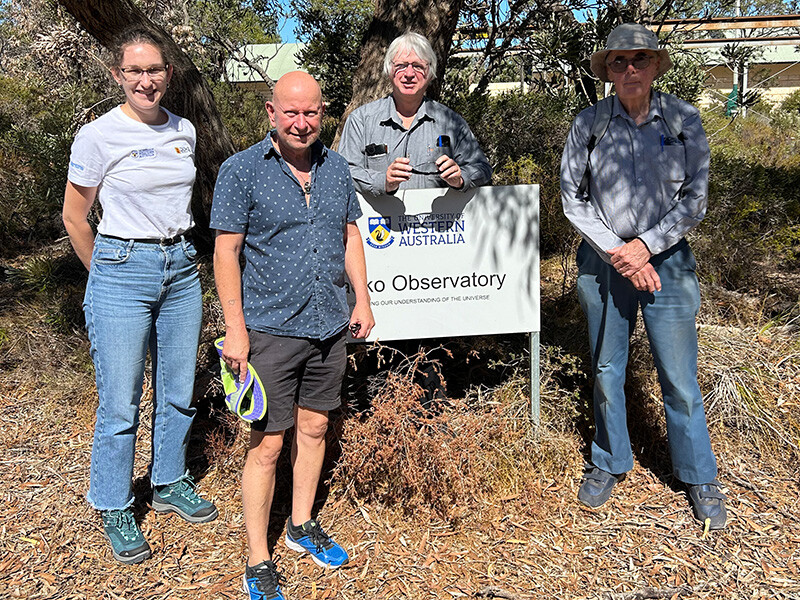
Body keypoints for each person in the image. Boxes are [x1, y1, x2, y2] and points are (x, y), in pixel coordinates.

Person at [211, 71, 375, 600]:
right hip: (270, 330)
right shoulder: (240, 172)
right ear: (271, 113)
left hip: (329, 323)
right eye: (292, 113)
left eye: (312, 113)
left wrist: (363, 299)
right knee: (266, 444)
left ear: (322, 113)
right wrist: (235, 331)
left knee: (314, 428)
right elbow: (226, 253)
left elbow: (351, 233)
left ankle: (301, 524)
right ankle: (258, 557)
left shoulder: (336, 170)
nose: (302, 123)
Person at [560, 23, 727, 529]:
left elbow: (694, 198)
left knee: (678, 377)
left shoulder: (683, 120)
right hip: (604, 262)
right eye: (618, 62)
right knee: (607, 369)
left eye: (639, 59)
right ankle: (609, 461)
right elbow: (573, 197)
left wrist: (646, 248)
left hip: (668, 262)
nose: (629, 69)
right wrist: (619, 251)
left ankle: (699, 476)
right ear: (607, 71)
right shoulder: (589, 123)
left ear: (655, 65)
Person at [62, 28, 217, 565]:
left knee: (178, 386)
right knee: (121, 400)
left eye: (155, 71)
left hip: (180, 269)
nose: (146, 81)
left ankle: (170, 478)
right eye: (135, 71)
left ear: (168, 75)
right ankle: (113, 502)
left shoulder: (184, 130)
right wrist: (103, 276)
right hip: (121, 269)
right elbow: (75, 217)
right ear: (118, 76)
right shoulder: (98, 135)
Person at [338, 31, 491, 196]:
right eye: (401, 66)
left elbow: (482, 168)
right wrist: (383, 181)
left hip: (438, 220)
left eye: (418, 66)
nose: (409, 74)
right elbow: (345, 171)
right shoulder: (360, 120)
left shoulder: (451, 121)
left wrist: (461, 178)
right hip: (380, 221)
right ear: (389, 71)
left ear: (431, 73)